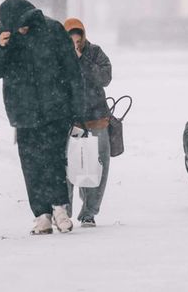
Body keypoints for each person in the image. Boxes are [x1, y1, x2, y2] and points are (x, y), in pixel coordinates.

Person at [0, 0, 85, 235]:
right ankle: (41, 215)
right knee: (31, 164)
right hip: (23, 112)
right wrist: (0, 47)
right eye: (16, 26)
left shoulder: (52, 30)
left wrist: (78, 111)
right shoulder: (1, 36)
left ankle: (60, 208)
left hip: (55, 109)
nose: (21, 29)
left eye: (24, 24)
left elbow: (72, 71)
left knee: (54, 159)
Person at [63, 17, 112, 228]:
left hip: (97, 118)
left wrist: (82, 60)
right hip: (69, 120)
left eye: (78, 38)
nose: (75, 43)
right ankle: (64, 211)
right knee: (69, 166)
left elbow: (105, 77)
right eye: (71, 39)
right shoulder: (59, 56)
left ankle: (90, 211)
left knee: (98, 165)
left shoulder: (95, 52)